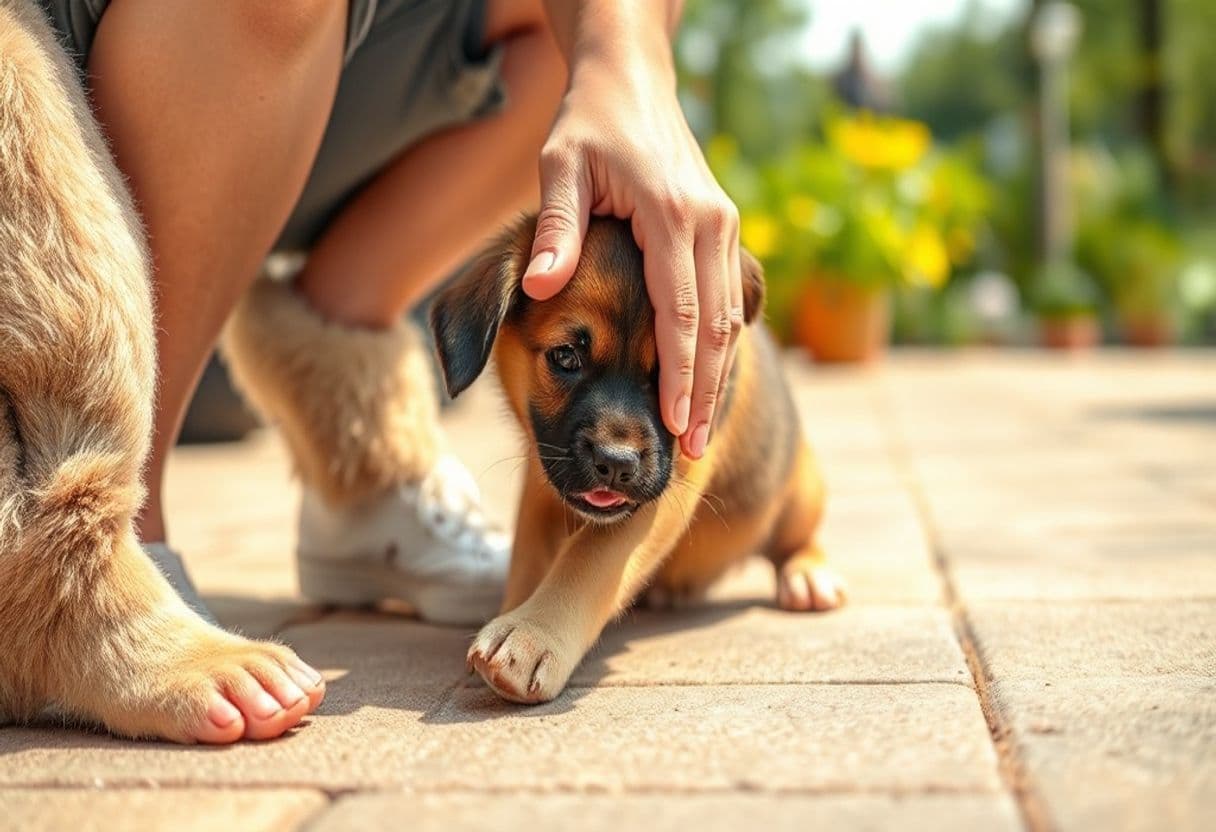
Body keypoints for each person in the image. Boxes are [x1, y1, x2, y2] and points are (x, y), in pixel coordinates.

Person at [19, 0, 742, 743]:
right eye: (565, 356)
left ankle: (354, 469)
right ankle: (108, 538)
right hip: (65, 82)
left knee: (575, 31)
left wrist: (628, 68)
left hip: (299, 96)